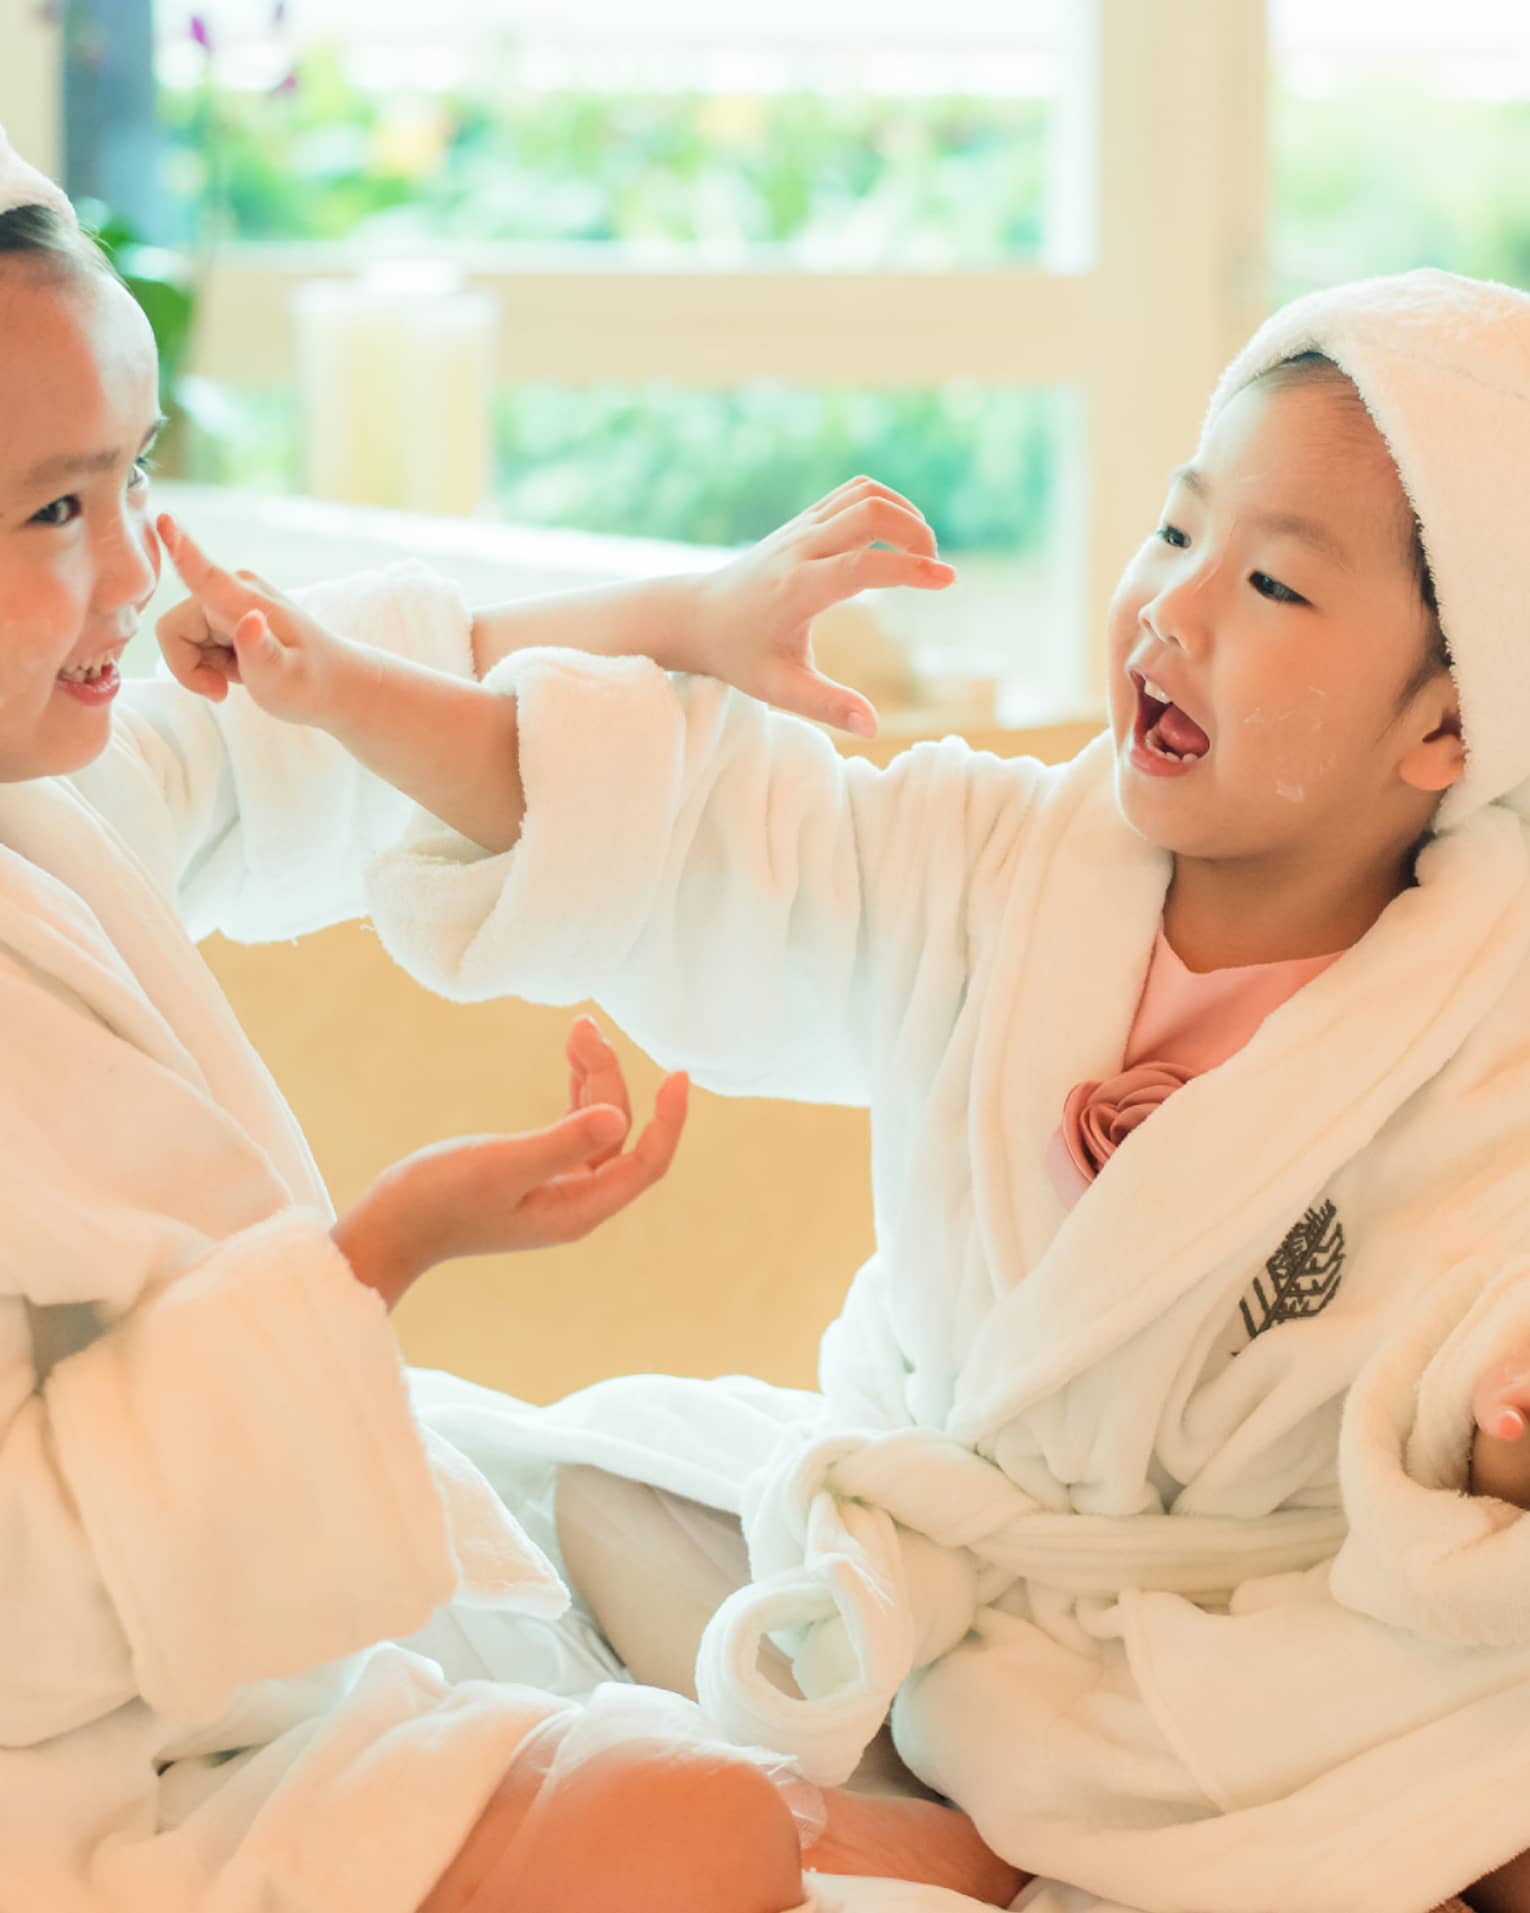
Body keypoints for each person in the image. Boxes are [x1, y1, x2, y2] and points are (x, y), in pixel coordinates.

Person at [163, 256, 1530, 1913]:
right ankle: (899, 1812)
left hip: (1228, 1685)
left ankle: (978, 1839)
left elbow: (1456, 1390)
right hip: (916, 1578)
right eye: (1174, 534)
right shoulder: (996, 859)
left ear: (1445, 729)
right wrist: (342, 692)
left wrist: (1484, 1459)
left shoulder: (1482, 1032)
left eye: (1275, 589)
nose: (1172, 611)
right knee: (457, 1497)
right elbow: (696, 844)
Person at [0, 130, 971, 1913]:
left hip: (270, 1677)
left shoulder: (48, 807)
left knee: (773, 1687)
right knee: (689, 1823)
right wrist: (381, 1249)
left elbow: (306, 708)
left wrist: (684, 610)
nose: (137, 571)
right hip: (77, 1806)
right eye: (55, 509)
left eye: (137, 476)